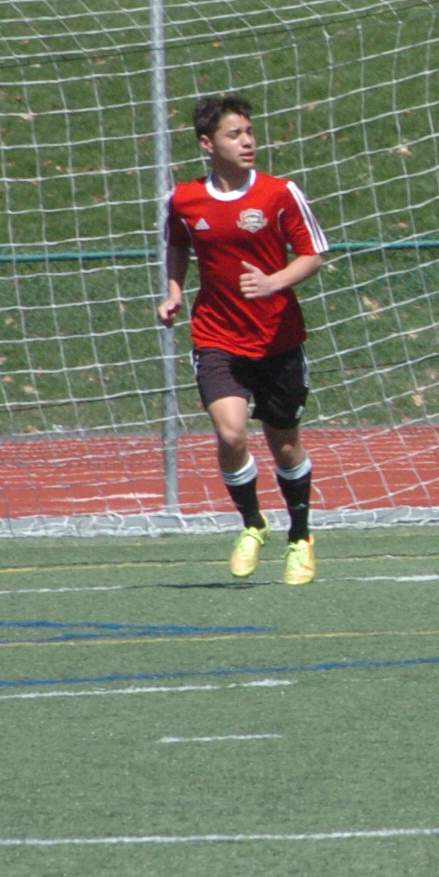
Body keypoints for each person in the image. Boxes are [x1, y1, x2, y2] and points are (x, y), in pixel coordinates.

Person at [157, 96, 329, 584]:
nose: (247, 141)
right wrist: (173, 291)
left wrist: (274, 282)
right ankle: (253, 523)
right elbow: (177, 244)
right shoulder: (184, 199)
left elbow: (313, 253)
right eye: (234, 134)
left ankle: (300, 537)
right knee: (231, 434)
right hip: (216, 335)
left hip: (278, 338)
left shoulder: (279, 193)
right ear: (207, 144)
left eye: (249, 132)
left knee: (285, 446)